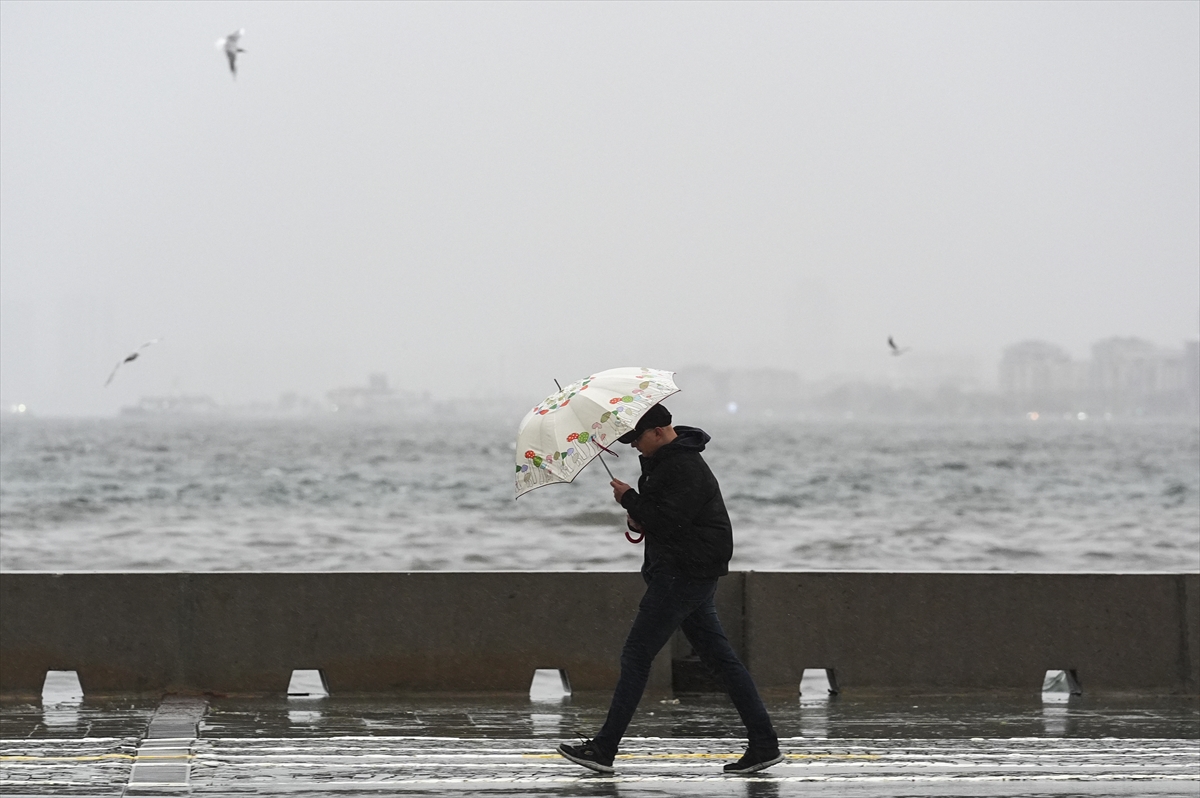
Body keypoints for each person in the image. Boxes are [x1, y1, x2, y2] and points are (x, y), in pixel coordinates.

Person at [556, 403, 783, 776]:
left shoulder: (684, 466)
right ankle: (764, 743)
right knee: (722, 662)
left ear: (660, 430)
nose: (632, 446)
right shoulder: (672, 463)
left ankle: (604, 748)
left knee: (637, 655)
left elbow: (671, 522)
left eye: (636, 438)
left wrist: (630, 499)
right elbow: (667, 518)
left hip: (683, 575)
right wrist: (637, 512)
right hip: (687, 572)